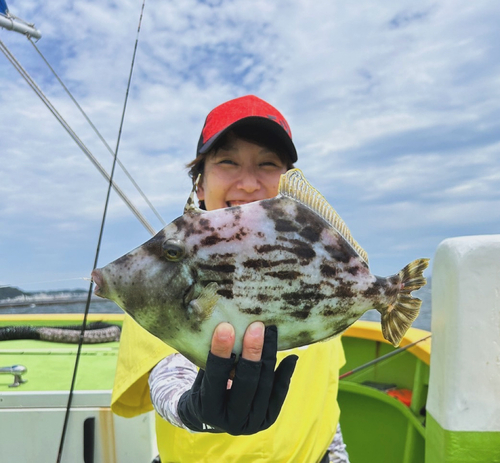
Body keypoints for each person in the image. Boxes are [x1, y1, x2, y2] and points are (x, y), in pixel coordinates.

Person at [111, 95, 350, 463]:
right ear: (200, 185)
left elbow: (325, 395)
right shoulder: (170, 267)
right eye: (227, 161)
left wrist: (336, 455)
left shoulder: (318, 270)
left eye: (268, 164)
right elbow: (167, 378)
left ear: (289, 186)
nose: (249, 183)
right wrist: (194, 410)